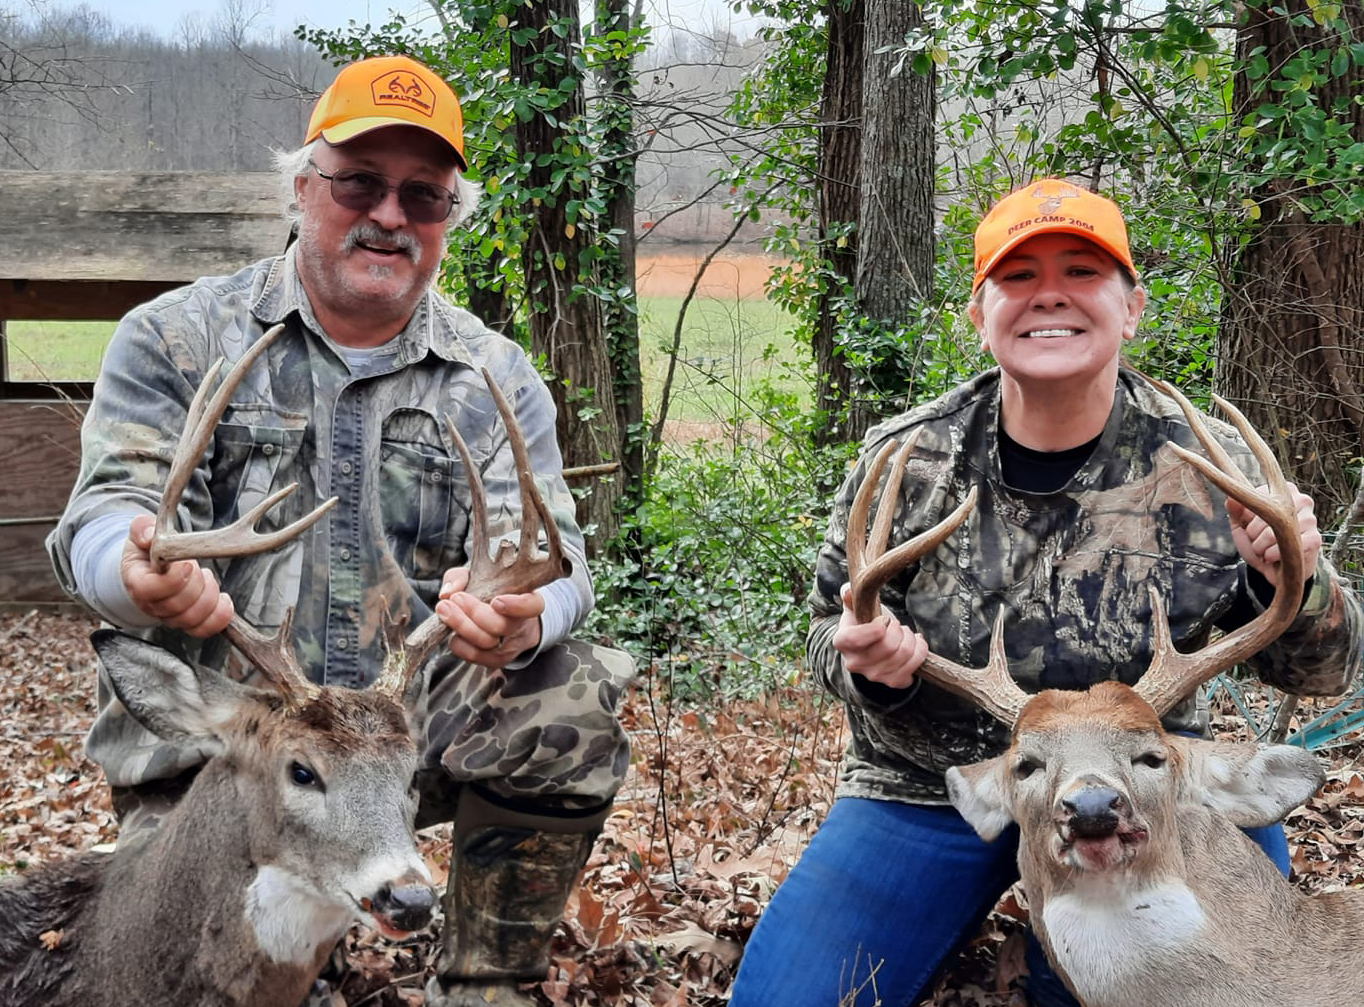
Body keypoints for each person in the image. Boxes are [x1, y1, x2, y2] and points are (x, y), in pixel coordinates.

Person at [47, 54, 633, 1007]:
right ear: (302, 187)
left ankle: (484, 986)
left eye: (423, 195)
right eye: (360, 182)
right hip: (228, 753)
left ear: (448, 217)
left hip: (402, 745)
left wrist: (529, 615)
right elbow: (101, 518)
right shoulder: (176, 337)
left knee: (573, 690)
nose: (390, 215)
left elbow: (564, 564)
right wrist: (134, 567)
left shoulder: (493, 375)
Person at [727, 178, 1364, 1007]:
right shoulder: (907, 462)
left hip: (1145, 786)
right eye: (1019, 276)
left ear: (1131, 307)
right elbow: (826, 629)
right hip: (932, 789)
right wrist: (864, 664)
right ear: (979, 312)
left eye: (1082, 272)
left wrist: (1295, 583)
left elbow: (1328, 671)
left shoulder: (1213, 468)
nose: (1050, 295)